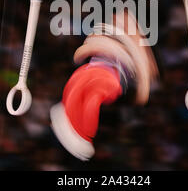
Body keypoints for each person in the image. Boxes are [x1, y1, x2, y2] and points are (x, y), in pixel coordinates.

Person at [50, 10, 158, 161]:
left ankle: (84, 135)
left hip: (109, 79)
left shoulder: (133, 43)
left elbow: (145, 69)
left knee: (91, 99)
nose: (115, 20)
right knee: (74, 87)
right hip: (92, 70)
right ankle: (67, 117)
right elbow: (82, 52)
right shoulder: (104, 33)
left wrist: (143, 88)